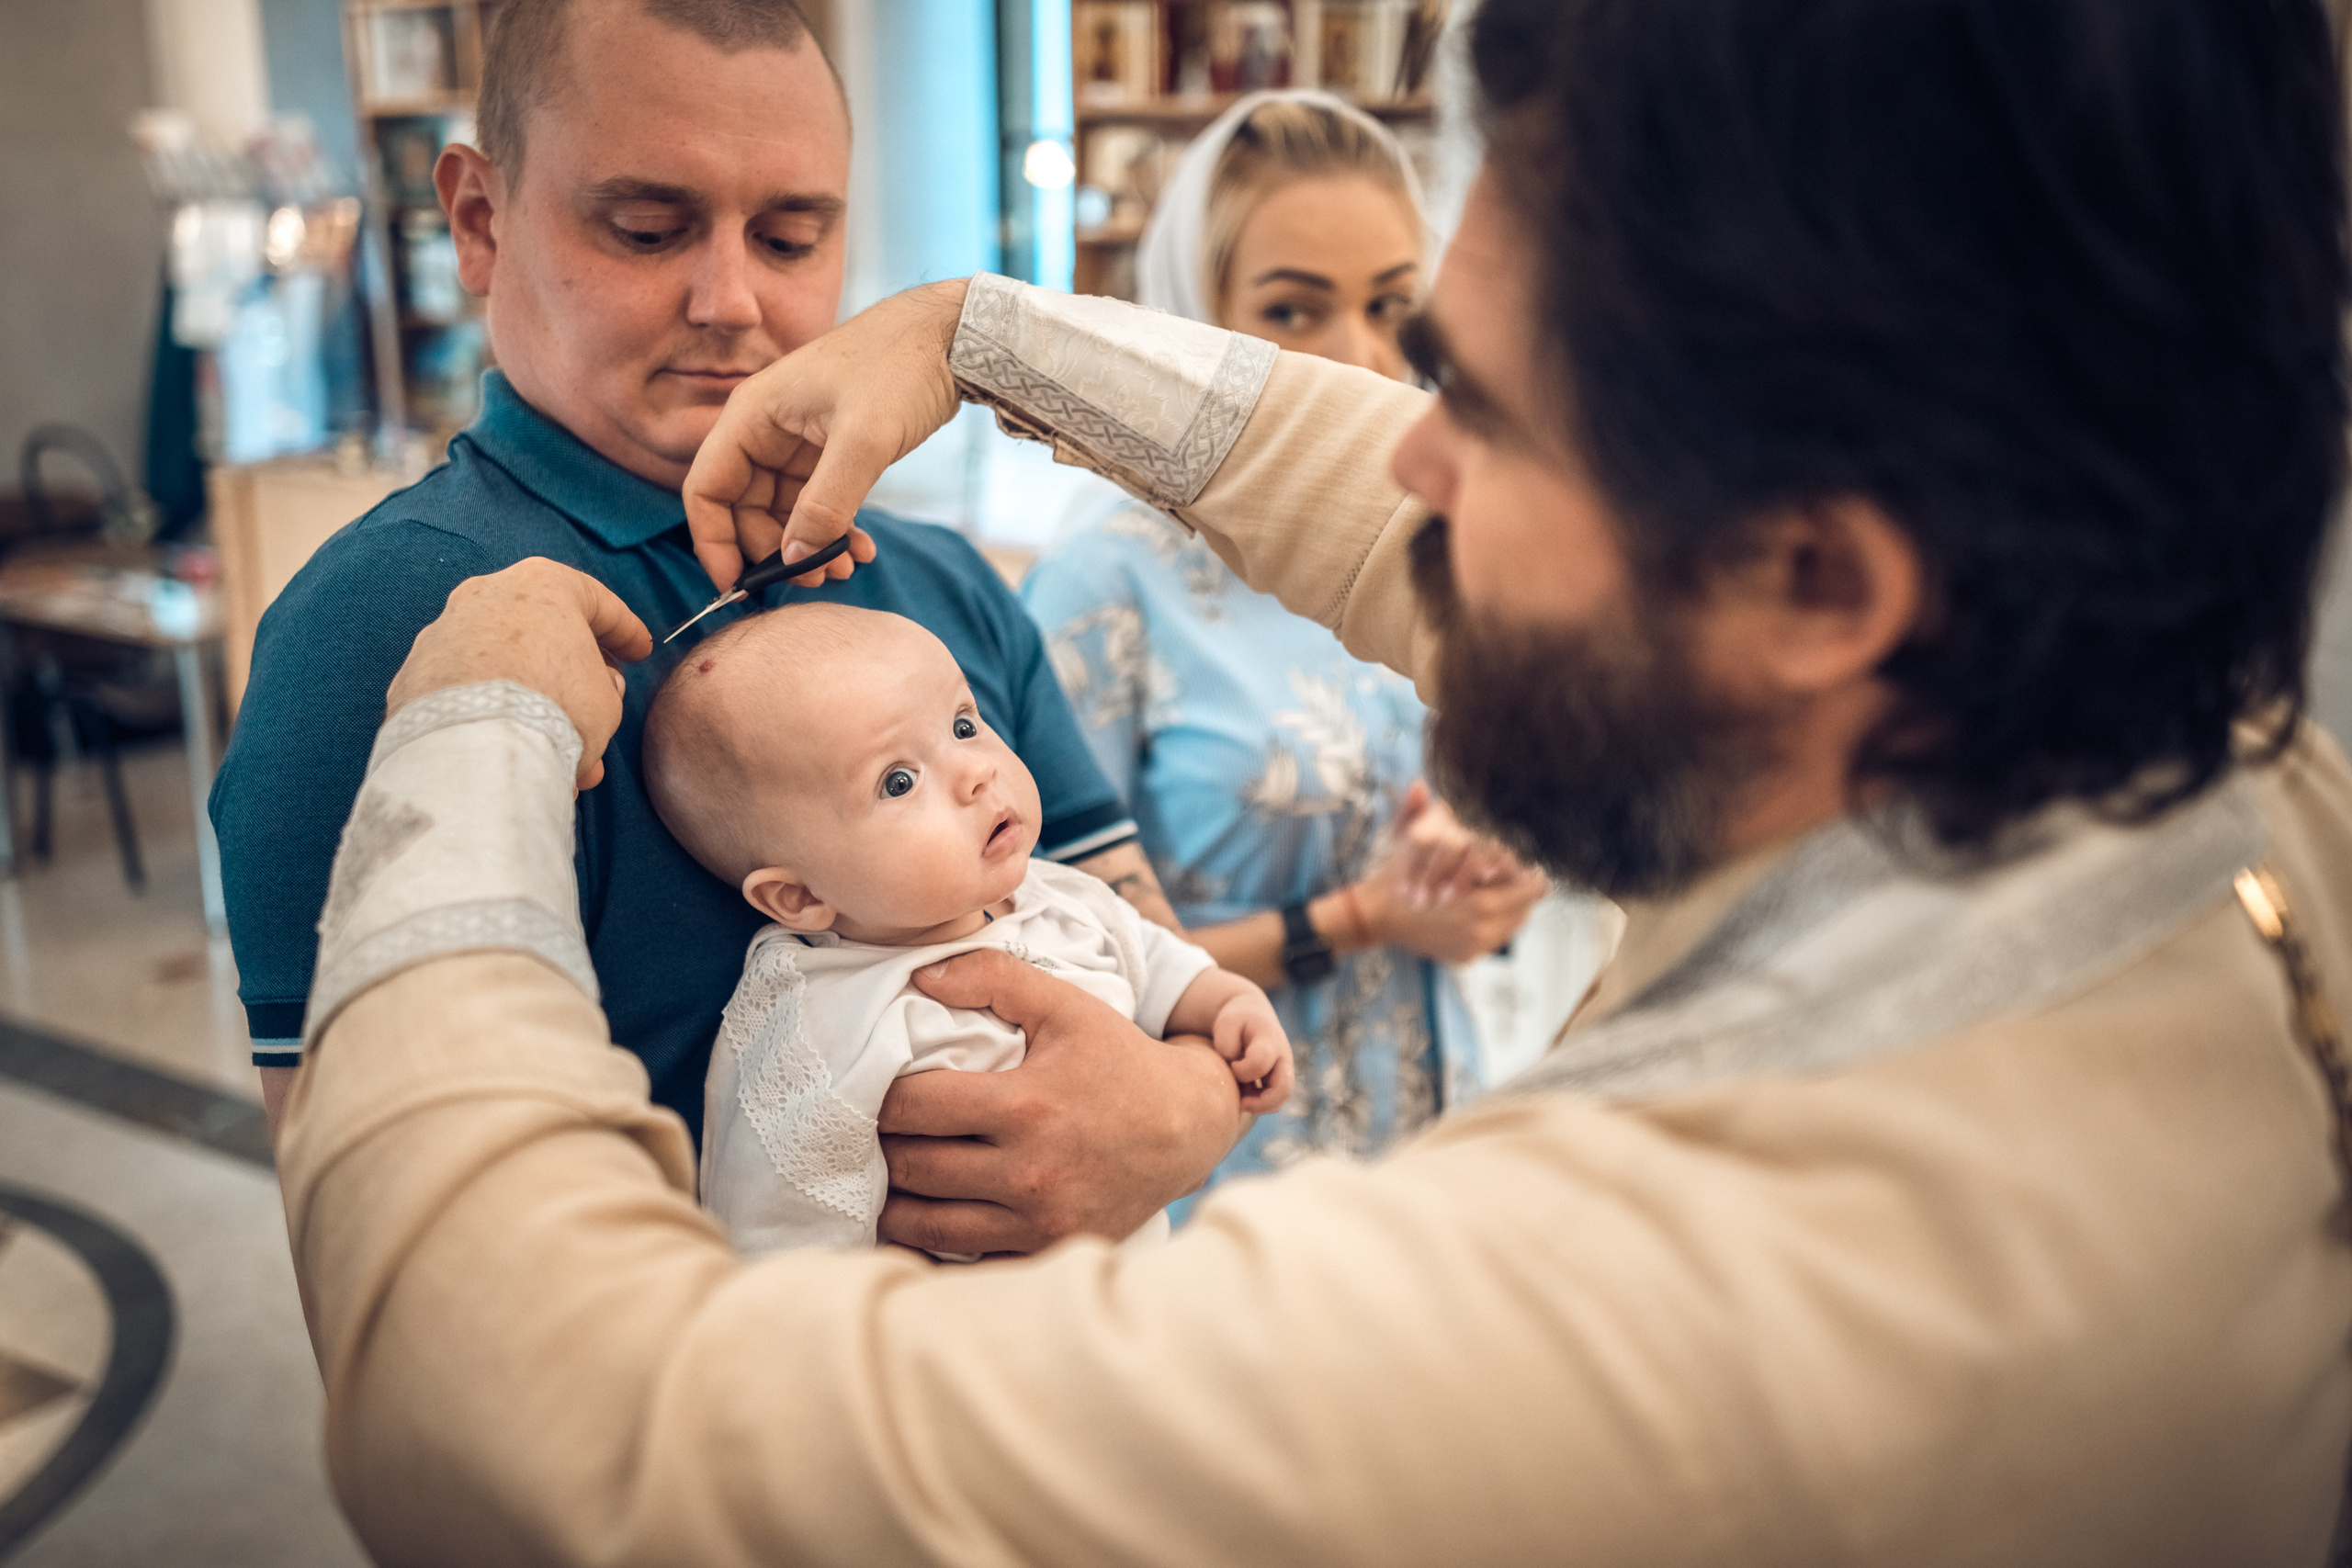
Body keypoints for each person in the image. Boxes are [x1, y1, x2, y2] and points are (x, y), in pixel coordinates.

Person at [277, 0, 2352, 1559]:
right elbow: (1369, 507)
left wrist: (468, 738)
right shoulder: (2215, 776)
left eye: (1481, 404)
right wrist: (976, 335)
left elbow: (527, 1427)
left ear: (1812, 575)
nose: (1407, 462)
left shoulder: (1636, 1323)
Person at [209, 0, 1231, 1203]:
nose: (732, 301)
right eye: (648, 229)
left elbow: (1130, 933)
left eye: (793, 237)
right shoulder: (381, 633)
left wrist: (1191, 1107)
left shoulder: (938, 583)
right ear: (480, 222)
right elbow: (388, 1259)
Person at [1023, 91, 1544, 1187]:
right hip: (1226, 1171)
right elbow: (1053, 951)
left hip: (1432, 1141)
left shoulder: (1448, 547)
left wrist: (1482, 868)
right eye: (1294, 312)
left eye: (1393, 307)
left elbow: (1466, 833)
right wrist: (1356, 920)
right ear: (1194, 322)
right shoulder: (1105, 587)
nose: (1355, 357)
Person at [639, 604, 1290, 1256]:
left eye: (962, 724)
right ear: (801, 895)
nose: (977, 770)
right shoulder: (814, 1021)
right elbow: (775, 1234)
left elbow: (1154, 958)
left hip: (1129, 1316)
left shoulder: (1058, 894)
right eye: (898, 781)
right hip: (947, 1345)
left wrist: (1226, 1002)